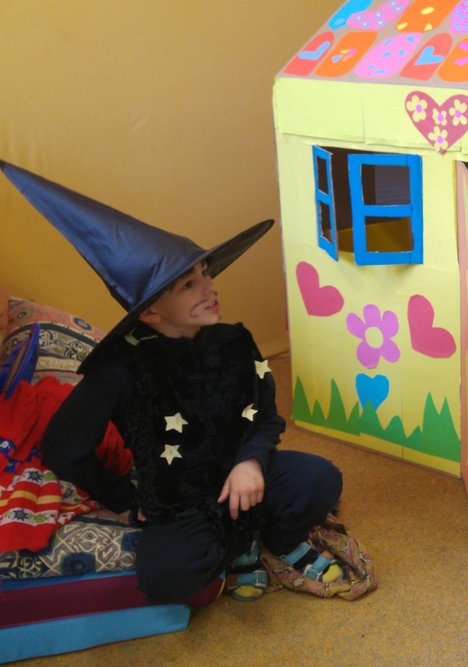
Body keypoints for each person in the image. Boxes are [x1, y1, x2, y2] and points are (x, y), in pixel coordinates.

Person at [2, 162, 345, 603]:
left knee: (320, 478)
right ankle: (243, 541)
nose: (209, 288)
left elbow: (264, 414)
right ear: (150, 312)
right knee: (166, 578)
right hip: (178, 496)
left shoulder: (234, 341)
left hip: (241, 472)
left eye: (206, 273)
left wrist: (251, 461)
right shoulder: (120, 368)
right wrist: (124, 498)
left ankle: (271, 538)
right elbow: (63, 446)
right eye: (188, 284)